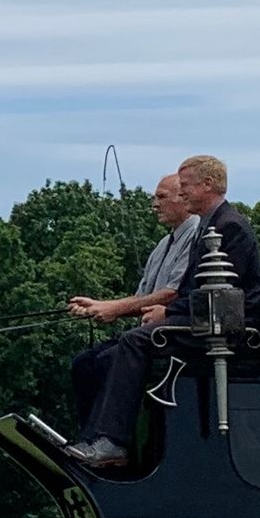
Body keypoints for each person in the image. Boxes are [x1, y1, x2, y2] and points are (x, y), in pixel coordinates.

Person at [64, 155, 260, 467]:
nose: (182, 193)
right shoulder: (211, 225)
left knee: (135, 341)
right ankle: (96, 437)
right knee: (97, 357)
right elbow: (192, 290)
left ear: (207, 185)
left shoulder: (229, 227)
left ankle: (114, 442)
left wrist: (167, 315)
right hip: (202, 320)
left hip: (226, 329)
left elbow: (219, 294)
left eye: (185, 186)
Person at [66, 173, 201, 428]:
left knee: (109, 361)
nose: (154, 204)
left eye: (161, 197)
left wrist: (114, 307)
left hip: (172, 336)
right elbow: (142, 298)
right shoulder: (163, 244)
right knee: (83, 363)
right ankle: (89, 437)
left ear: (183, 199)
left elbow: (172, 293)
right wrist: (98, 306)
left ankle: (111, 440)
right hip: (143, 334)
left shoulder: (195, 236)